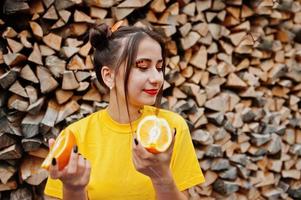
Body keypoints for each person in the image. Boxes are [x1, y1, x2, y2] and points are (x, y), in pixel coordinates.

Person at [43, 23, 205, 200]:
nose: (157, 78)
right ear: (109, 76)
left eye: (159, 67)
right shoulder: (74, 136)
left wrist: (161, 177)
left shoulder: (172, 128)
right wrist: (73, 189)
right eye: (142, 66)